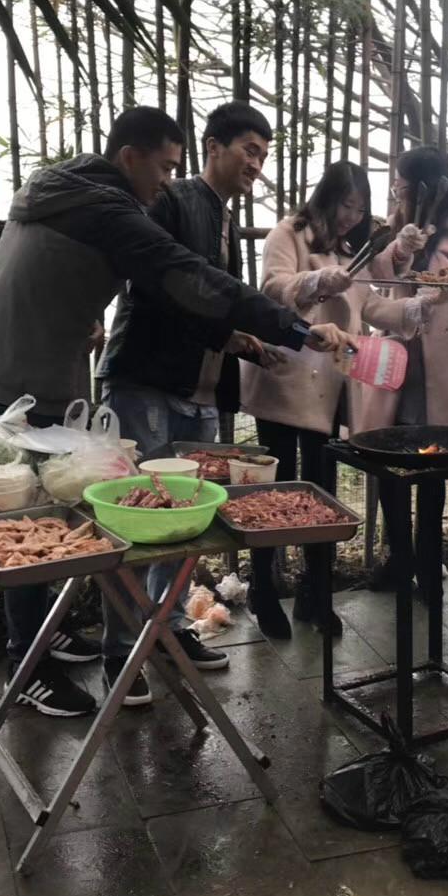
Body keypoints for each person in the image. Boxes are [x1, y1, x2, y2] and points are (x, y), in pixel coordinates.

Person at [0, 106, 350, 718]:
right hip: (16, 384)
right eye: (164, 167)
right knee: (33, 524)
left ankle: (65, 636)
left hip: (33, 373)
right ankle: (27, 664)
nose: (167, 181)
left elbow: (48, 276)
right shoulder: (110, 207)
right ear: (129, 158)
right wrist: (295, 330)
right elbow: (185, 280)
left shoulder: (70, 191)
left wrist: (82, 317)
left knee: (64, 515)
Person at [97, 101, 282, 683]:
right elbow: (164, 290)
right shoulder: (175, 200)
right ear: (213, 147)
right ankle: (120, 653)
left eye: (263, 155)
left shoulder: (223, 218)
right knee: (135, 521)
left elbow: (213, 305)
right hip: (146, 383)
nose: (256, 164)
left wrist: (241, 340)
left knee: (187, 523)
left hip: (198, 394)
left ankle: (169, 629)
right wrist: (229, 334)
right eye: (249, 150)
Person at [240, 161, 440, 639]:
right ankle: (263, 588)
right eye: (347, 205)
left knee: (322, 491)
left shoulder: (352, 249)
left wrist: (417, 306)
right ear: (326, 198)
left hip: (329, 389)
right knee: (274, 491)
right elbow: (272, 289)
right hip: (283, 381)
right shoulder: (289, 234)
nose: (352, 216)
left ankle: (316, 591)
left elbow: (371, 306)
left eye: (360, 208)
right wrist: (316, 282)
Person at [363, 146, 448, 601]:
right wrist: (401, 248)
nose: (396, 192)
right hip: (397, 362)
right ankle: (399, 557)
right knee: (388, 460)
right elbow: (377, 277)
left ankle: (427, 561)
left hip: (445, 367)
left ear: (424, 188)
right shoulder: (396, 227)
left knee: (434, 466)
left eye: (400, 185)